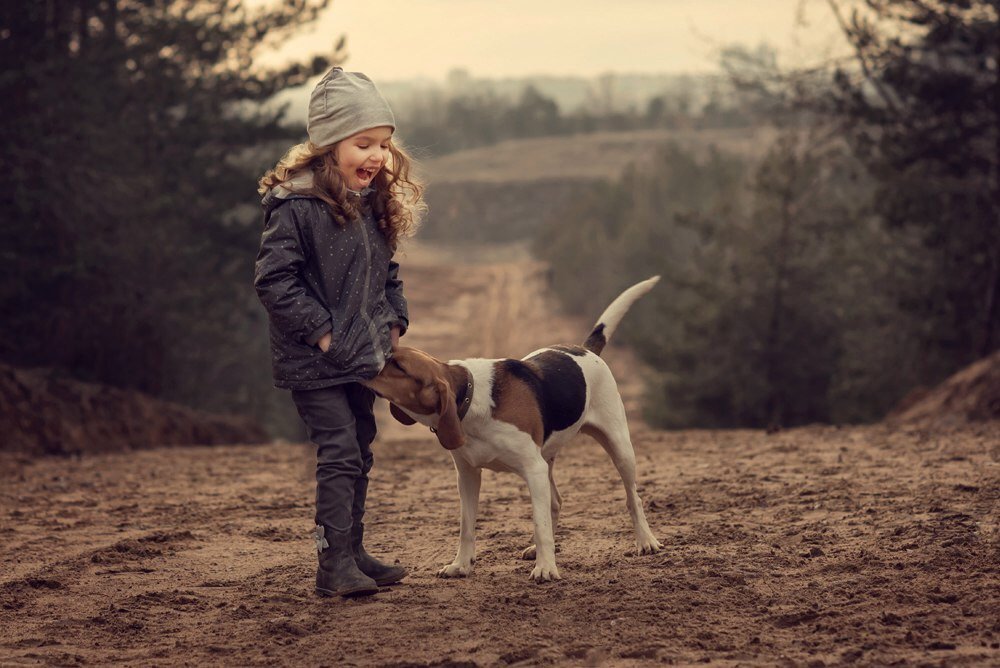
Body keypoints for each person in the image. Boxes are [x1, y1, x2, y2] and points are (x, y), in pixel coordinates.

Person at [254, 66, 423, 598]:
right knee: (339, 450)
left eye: (383, 145)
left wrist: (394, 318)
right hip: (315, 359)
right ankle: (332, 566)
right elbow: (274, 281)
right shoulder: (296, 207)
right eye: (363, 143)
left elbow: (386, 273)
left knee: (363, 445)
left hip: (361, 356)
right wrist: (322, 333)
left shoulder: (371, 204)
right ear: (329, 145)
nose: (376, 156)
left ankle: (353, 551)